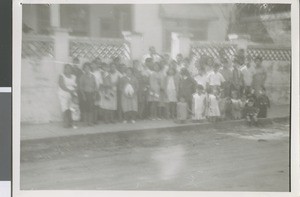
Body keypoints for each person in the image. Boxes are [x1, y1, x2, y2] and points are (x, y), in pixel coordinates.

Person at [58, 64, 77, 128]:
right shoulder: (61, 76)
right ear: (64, 69)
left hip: (72, 94)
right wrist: (70, 91)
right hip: (63, 93)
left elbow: (75, 85)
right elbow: (62, 85)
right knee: (65, 108)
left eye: (69, 68)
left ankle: (70, 123)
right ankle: (65, 123)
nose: (68, 70)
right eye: (67, 68)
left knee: (71, 108)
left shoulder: (74, 76)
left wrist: (75, 90)